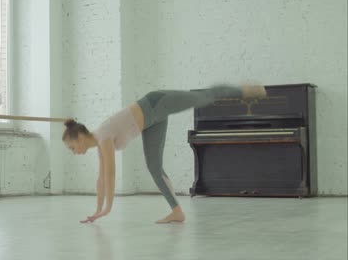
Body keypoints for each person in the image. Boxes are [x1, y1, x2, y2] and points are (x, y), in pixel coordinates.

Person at [62, 85, 267, 224]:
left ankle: (242, 91)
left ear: (79, 137)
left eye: (71, 147)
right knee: (154, 168)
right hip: (152, 122)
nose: (73, 152)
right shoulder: (99, 140)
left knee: (200, 98)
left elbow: (110, 174)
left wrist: (107, 209)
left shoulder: (104, 135)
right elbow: (101, 179)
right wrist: (98, 211)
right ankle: (177, 212)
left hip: (156, 103)